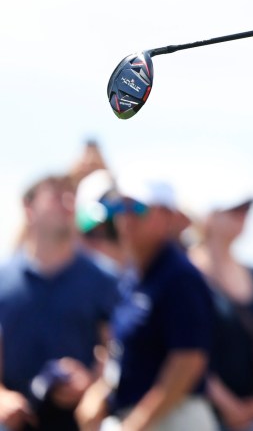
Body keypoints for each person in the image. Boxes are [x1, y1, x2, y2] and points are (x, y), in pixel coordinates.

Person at [76, 179, 218, 431]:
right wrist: (101, 391)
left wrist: (138, 422)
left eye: (138, 208)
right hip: (138, 416)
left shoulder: (180, 277)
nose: (126, 218)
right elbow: (123, 352)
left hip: (174, 419)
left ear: (167, 217)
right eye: (120, 208)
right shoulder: (134, 277)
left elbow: (188, 360)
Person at [0, 174, 118, 431]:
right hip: (15, 421)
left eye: (71, 197)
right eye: (56, 197)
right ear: (28, 208)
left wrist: (93, 384)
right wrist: (1, 396)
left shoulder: (104, 278)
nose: (67, 204)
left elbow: (116, 348)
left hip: (80, 422)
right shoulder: (3, 279)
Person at [188, 190, 253, 431]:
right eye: (234, 209)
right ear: (208, 216)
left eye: (245, 209)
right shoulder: (186, 276)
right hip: (202, 416)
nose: (242, 216)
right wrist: (228, 406)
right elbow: (183, 351)